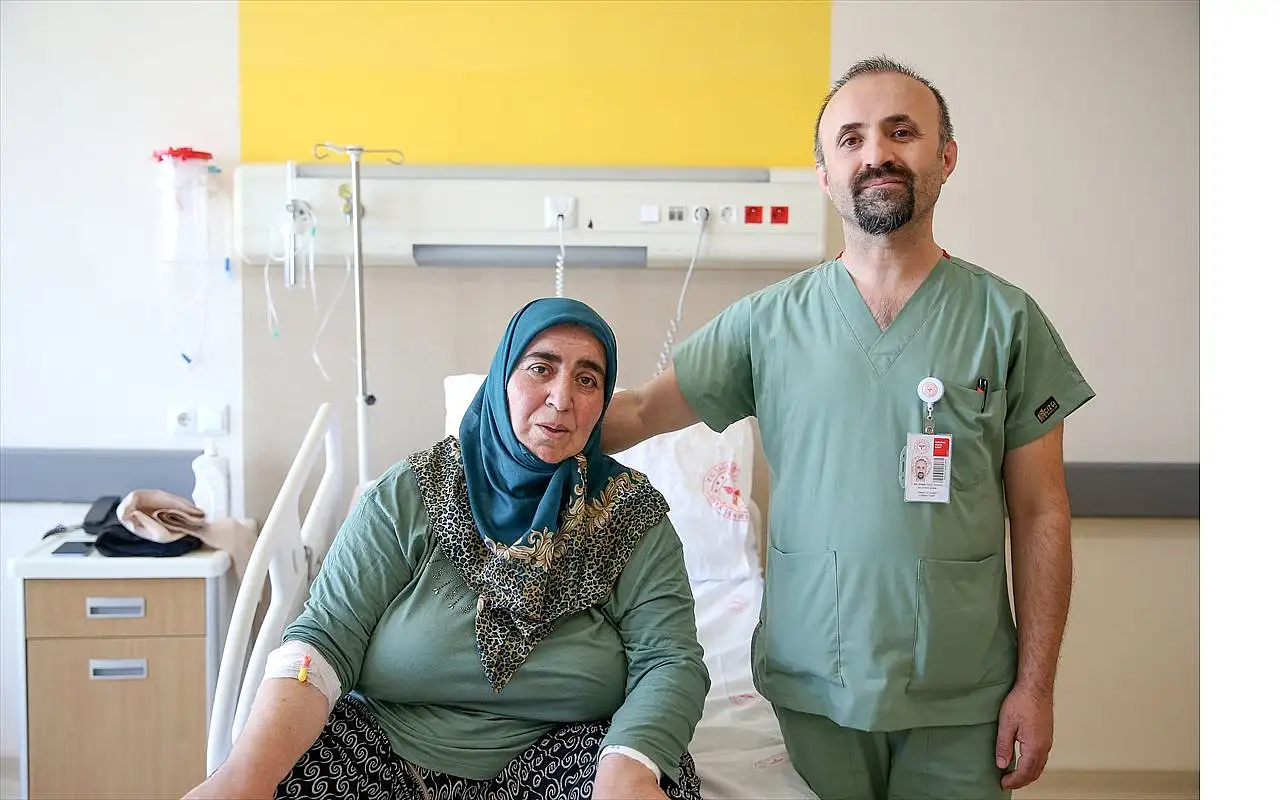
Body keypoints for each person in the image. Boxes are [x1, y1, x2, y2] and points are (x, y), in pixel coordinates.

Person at [601, 56, 1095, 800]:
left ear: (946, 157)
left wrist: (1037, 685)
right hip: (812, 689)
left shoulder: (1007, 321)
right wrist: (518, 428)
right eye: (852, 139)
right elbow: (641, 411)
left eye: (902, 132)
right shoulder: (768, 323)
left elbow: (1040, 511)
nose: (877, 154)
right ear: (825, 173)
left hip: (962, 695)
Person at [185, 298, 710, 800]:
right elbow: (324, 640)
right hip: (386, 747)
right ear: (502, 378)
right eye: (540, 368)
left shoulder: (628, 515)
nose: (561, 398)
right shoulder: (411, 493)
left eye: (587, 379)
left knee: (654, 780)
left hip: (565, 753)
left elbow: (670, 660)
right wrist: (242, 776)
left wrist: (626, 769)